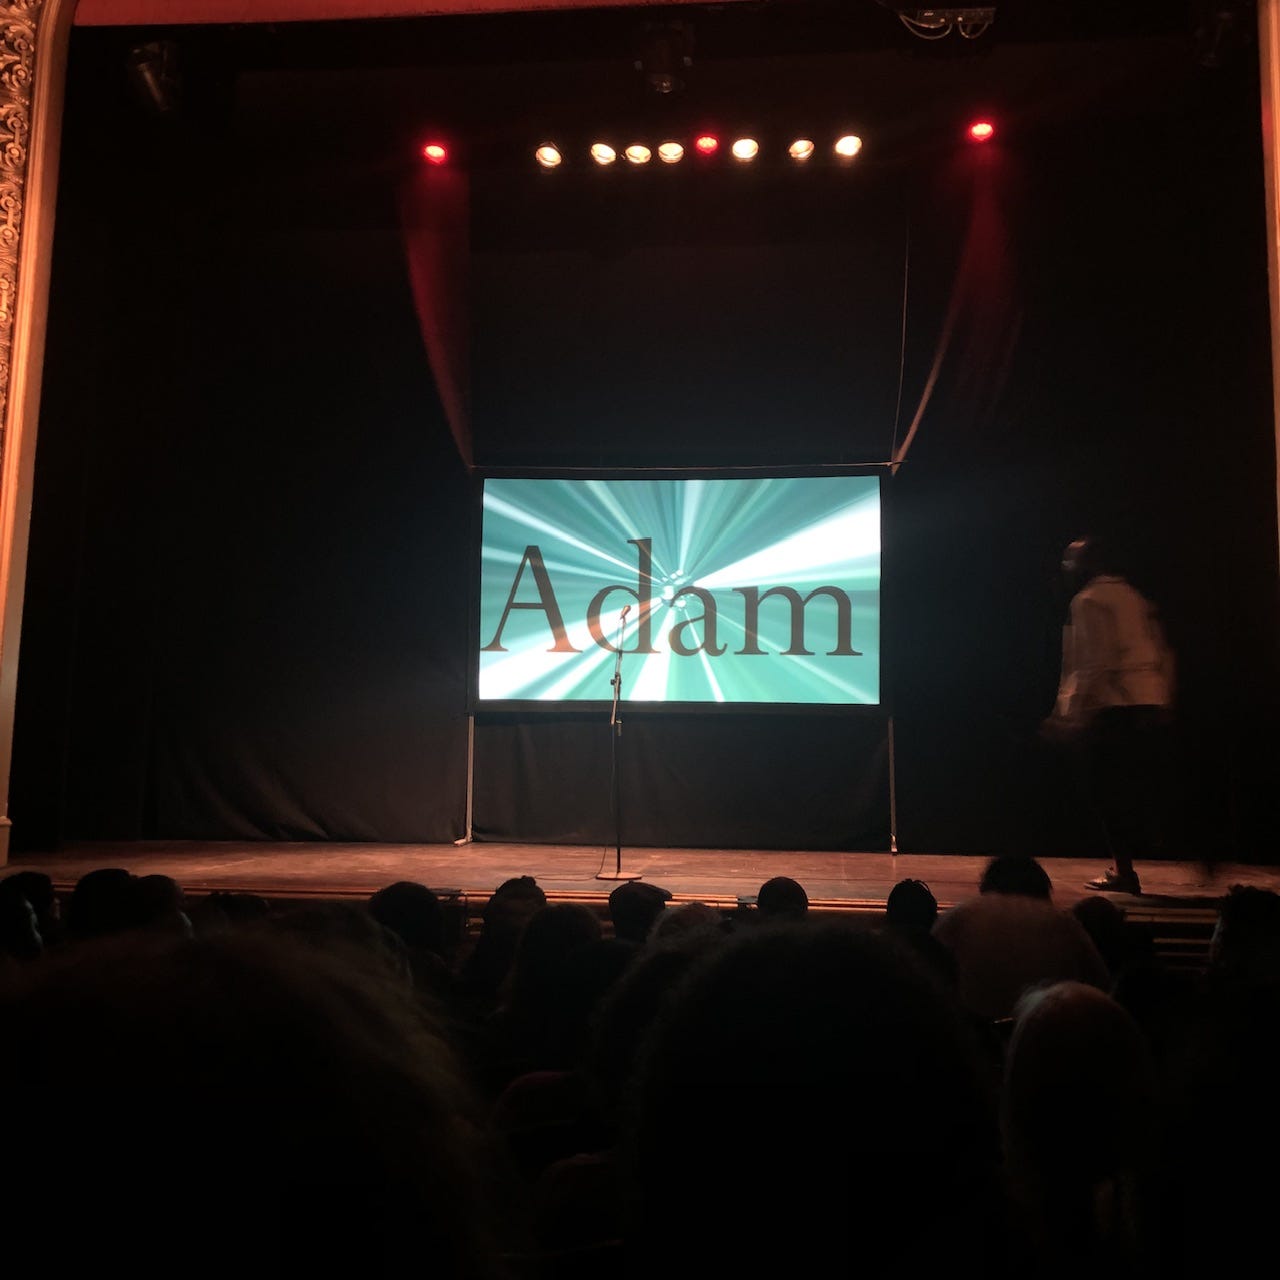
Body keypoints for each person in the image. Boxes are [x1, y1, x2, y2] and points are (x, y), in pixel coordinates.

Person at [1041, 535, 1176, 896]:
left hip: (1115, 705)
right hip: (1147, 699)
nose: (1066, 568)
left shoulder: (1088, 601)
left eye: (1071, 562)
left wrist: (1068, 714)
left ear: (1087, 566)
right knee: (1139, 784)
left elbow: (1091, 664)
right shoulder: (1133, 596)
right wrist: (1163, 696)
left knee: (1107, 791)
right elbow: (1162, 648)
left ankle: (1125, 871)